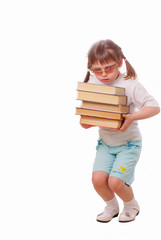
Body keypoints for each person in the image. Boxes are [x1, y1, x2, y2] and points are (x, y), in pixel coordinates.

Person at [80, 39, 160, 223]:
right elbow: (87, 115)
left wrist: (132, 117)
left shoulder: (130, 85)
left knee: (115, 182)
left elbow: (154, 107)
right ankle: (111, 207)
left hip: (128, 145)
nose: (103, 74)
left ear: (120, 62)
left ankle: (131, 206)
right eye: (97, 70)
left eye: (109, 68)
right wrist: (88, 122)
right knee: (98, 180)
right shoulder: (93, 82)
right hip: (106, 145)